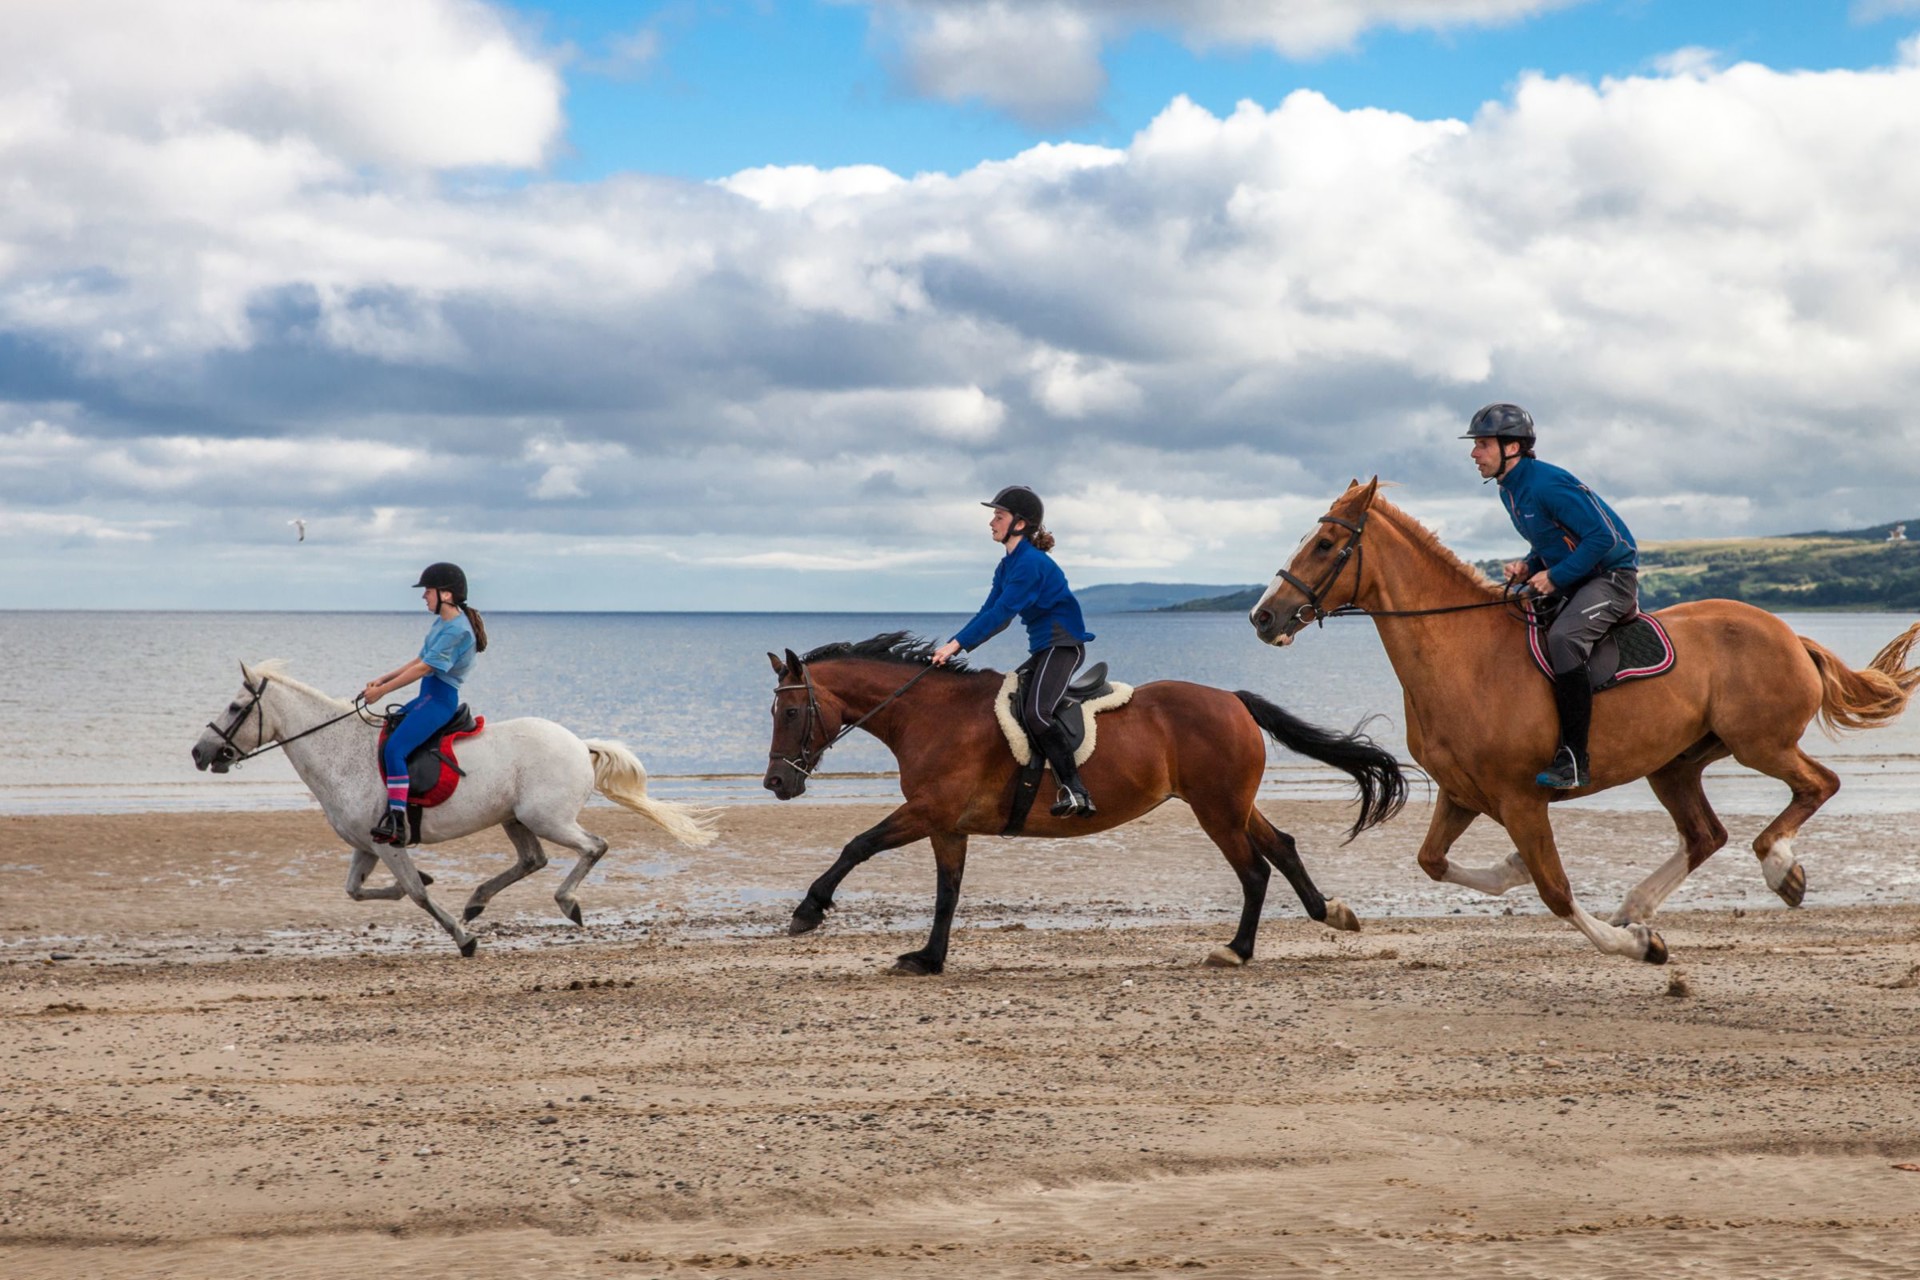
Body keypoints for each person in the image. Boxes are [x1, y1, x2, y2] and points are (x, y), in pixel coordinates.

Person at [1466, 403, 1638, 790]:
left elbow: (1602, 539)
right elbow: (1551, 540)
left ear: (1512, 447)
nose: (1474, 454)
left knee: (1564, 638)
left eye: (1482, 444)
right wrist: (1529, 566)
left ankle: (1575, 759)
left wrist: (1556, 576)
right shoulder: (1510, 490)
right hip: (1577, 578)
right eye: (1476, 445)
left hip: (1611, 578)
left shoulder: (1546, 484)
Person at [930, 486, 1098, 817]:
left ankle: (1077, 792)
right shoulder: (1007, 566)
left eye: (999, 516)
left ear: (1019, 524)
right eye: (993, 516)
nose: (991, 522)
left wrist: (957, 645)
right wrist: (953, 643)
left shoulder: (1031, 564)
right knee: (1008, 703)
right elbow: (987, 611)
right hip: (1043, 650)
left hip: (1063, 647)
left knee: (1037, 714)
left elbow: (1003, 614)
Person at [360, 563, 488, 845]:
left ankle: (397, 820)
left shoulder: (458, 631)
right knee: (388, 729)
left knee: (395, 749)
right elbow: (418, 660)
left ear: (446, 594)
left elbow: (425, 670)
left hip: (439, 700)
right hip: (427, 695)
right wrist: (382, 679)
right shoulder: (444, 621)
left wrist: (382, 692)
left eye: (428, 591)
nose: (423, 597)